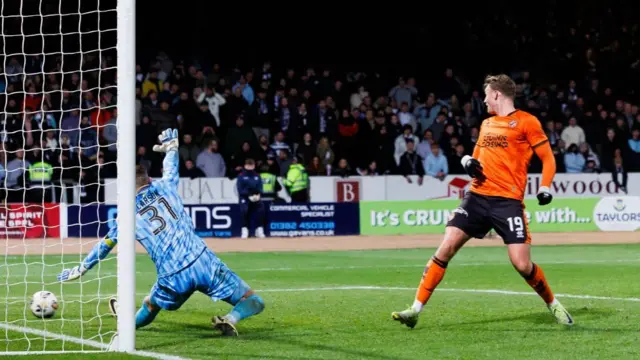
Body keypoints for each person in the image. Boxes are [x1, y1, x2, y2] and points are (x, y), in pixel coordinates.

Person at [391, 74, 573, 329]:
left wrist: (545, 187)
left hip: (507, 202)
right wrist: (467, 162)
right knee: (446, 247)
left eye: (487, 94)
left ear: (497, 94)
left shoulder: (526, 122)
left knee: (522, 265)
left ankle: (553, 303)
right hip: (476, 196)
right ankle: (415, 309)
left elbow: (548, 158)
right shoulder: (487, 124)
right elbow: (476, 161)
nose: (484, 99)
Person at [57, 129, 265, 336]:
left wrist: (81, 268)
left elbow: (105, 245)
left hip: (173, 275)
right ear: (148, 180)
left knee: (150, 305)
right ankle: (230, 318)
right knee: (253, 300)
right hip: (203, 261)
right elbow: (171, 168)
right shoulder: (164, 186)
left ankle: (127, 326)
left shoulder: (127, 215)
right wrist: (172, 147)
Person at [236, 158, 266, 238]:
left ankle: (259, 229)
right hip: (245, 197)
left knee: (261, 209)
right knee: (244, 210)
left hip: (255, 196)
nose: (250, 167)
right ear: (245, 166)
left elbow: (260, 188)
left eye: (251, 165)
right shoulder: (241, 176)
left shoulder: (257, 176)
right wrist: (248, 194)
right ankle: (245, 229)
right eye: (248, 165)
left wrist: (257, 194)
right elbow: (240, 190)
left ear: (254, 166)